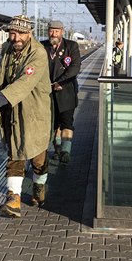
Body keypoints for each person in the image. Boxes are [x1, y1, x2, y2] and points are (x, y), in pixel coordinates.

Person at [0, 15, 52, 216]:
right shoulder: (7, 49)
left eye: (20, 33)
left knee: (38, 158)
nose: (16, 38)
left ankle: (38, 187)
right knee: (15, 152)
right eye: (12, 33)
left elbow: (24, 83)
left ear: (29, 33)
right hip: (12, 111)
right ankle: (13, 199)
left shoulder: (38, 53)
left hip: (34, 112)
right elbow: (1, 72)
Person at [41, 20, 82, 164]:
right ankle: (57, 149)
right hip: (47, 94)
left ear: (62, 32)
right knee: (53, 124)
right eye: (51, 31)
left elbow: (75, 67)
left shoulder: (71, 46)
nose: (54, 34)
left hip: (66, 93)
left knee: (66, 122)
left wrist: (61, 82)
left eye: (57, 31)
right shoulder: (42, 46)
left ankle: (66, 151)